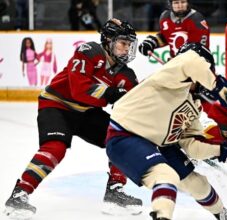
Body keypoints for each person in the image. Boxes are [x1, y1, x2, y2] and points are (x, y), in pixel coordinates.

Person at [4, 18, 142, 219]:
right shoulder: (89, 51)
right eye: (123, 43)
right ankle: (19, 194)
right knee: (55, 147)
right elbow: (80, 90)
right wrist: (113, 93)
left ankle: (115, 192)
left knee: (122, 139)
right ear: (108, 40)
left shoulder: (126, 75)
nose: (127, 49)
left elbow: (134, 105)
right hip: (57, 104)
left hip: (87, 112)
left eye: (129, 44)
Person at [106, 43, 227, 220]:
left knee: (198, 183)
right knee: (166, 176)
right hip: (126, 135)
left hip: (158, 143)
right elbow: (189, 60)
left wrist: (224, 151)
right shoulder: (169, 75)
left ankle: (223, 215)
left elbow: (192, 146)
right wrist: (218, 85)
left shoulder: (193, 103)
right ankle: (163, 216)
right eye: (206, 70)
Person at [138, 0, 210, 59]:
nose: (180, 6)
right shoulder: (165, 17)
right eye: (176, 2)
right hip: (175, 65)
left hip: (196, 65)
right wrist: (152, 42)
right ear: (170, 4)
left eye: (183, 2)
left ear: (188, 3)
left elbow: (200, 50)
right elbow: (166, 37)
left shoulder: (196, 19)